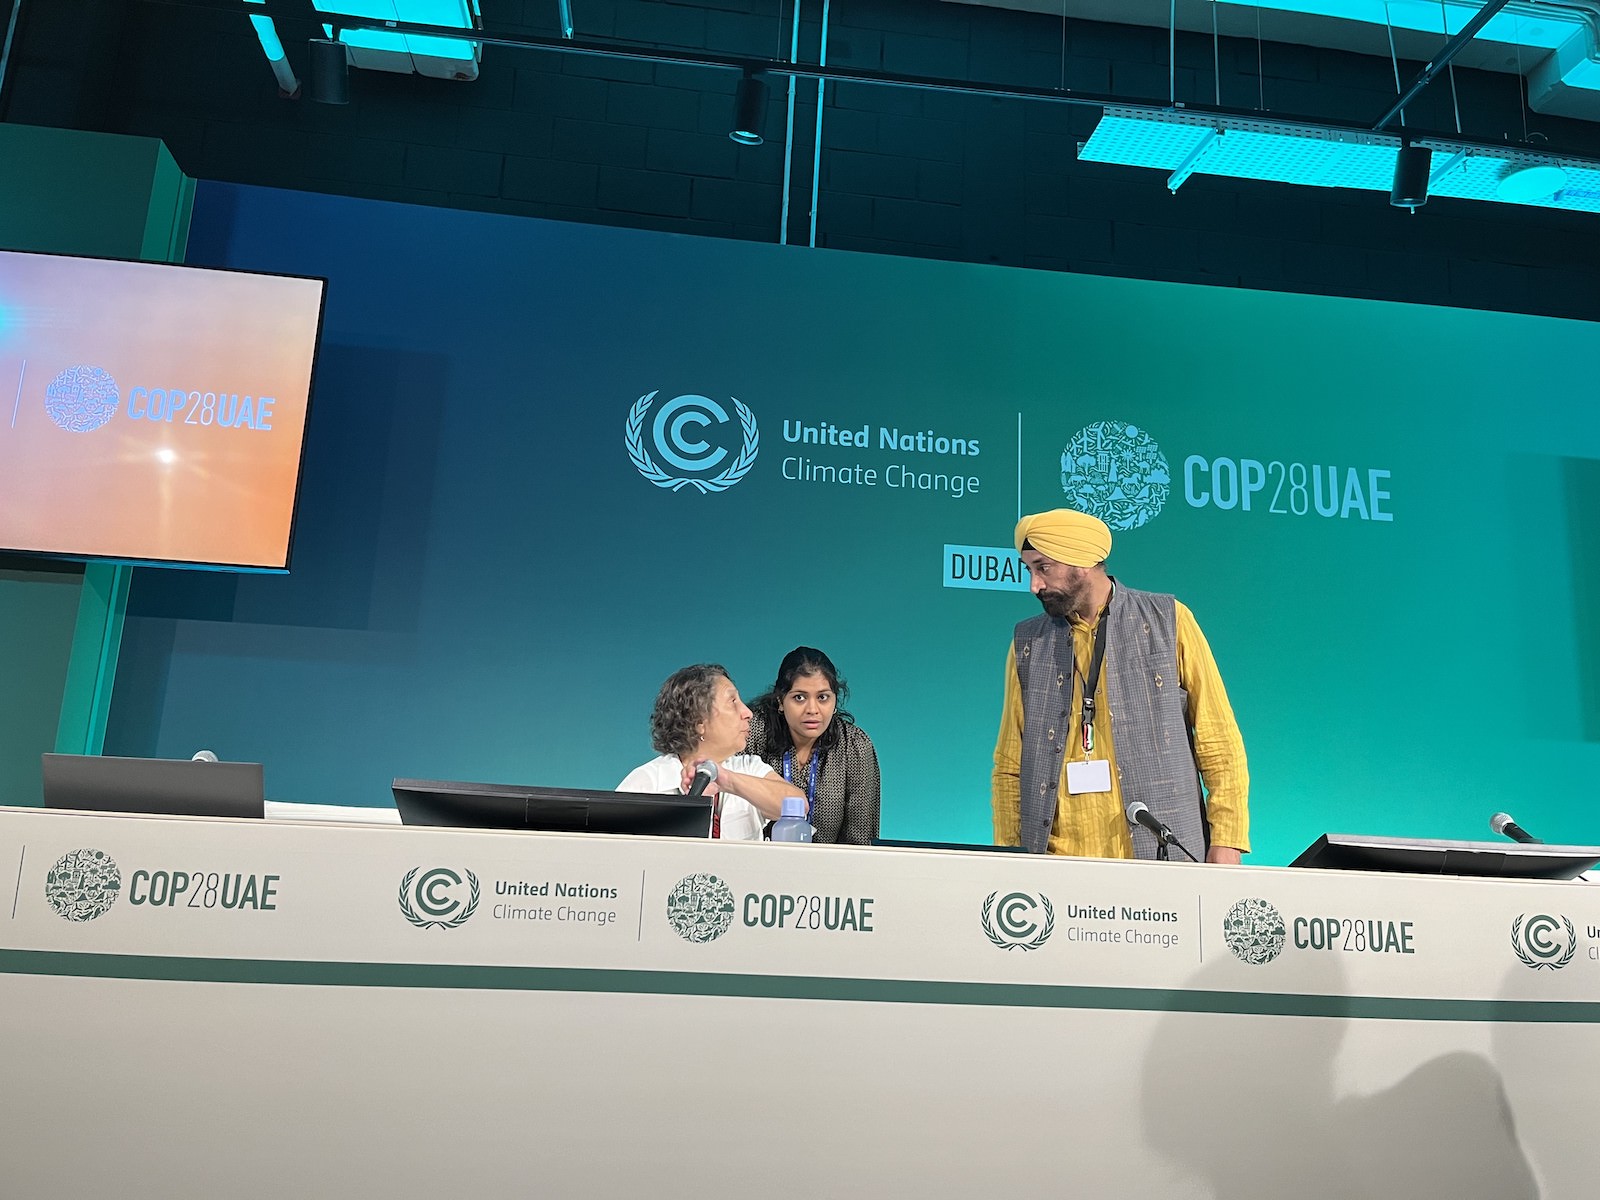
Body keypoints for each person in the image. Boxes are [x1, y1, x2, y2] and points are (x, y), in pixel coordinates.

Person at [991, 508, 1248, 862]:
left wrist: (1227, 840)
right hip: (1056, 865)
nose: (1034, 585)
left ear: (1081, 561)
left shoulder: (1169, 621)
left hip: (1158, 855)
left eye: (1043, 568)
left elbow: (1218, 740)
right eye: (1030, 570)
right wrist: (1007, 854)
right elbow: (1009, 764)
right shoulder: (1027, 644)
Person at [619, 663, 803, 840]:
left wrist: (727, 780)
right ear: (698, 721)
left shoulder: (749, 768)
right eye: (733, 701)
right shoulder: (649, 781)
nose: (748, 712)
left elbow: (799, 806)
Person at [746, 646, 881, 845]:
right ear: (780, 701)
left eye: (822, 697)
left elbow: (860, 842)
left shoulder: (854, 746)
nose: (812, 709)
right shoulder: (752, 733)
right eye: (799, 697)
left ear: (835, 701)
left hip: (831, 864)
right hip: (752, 861)